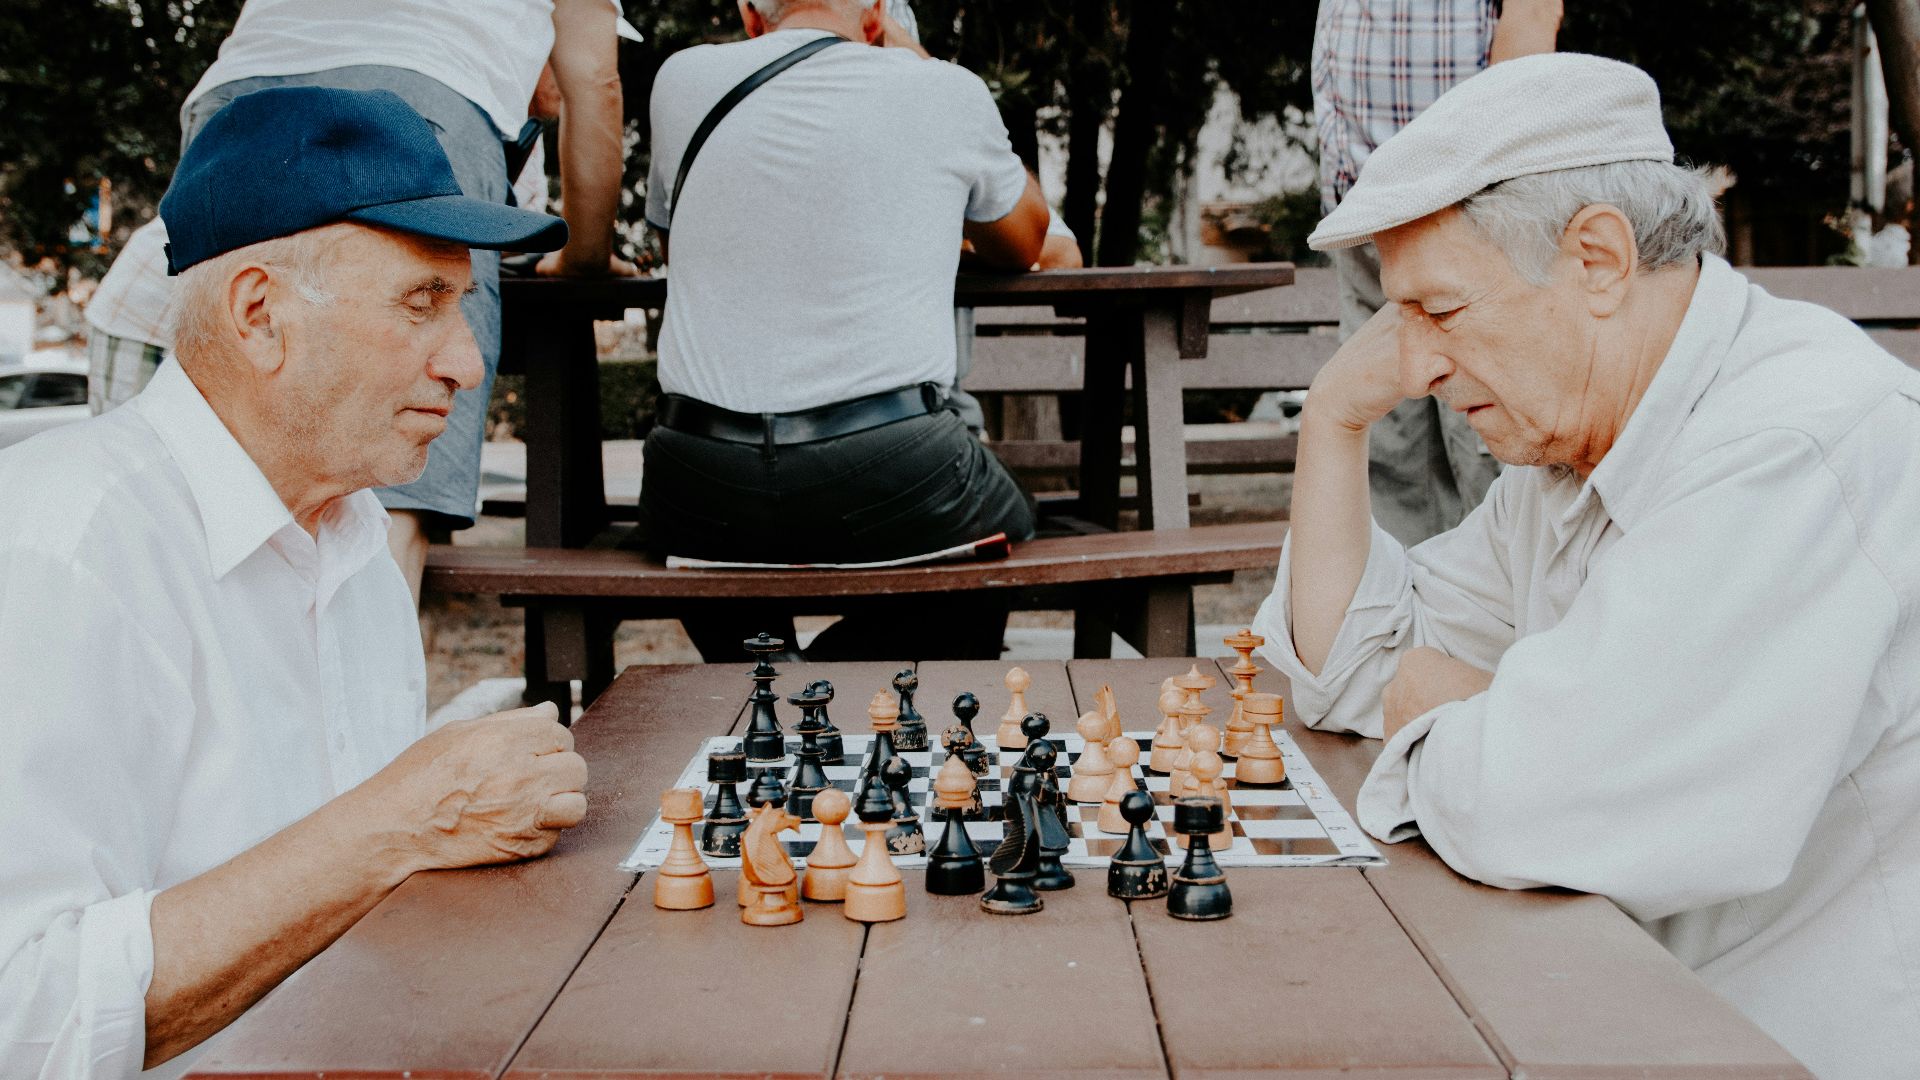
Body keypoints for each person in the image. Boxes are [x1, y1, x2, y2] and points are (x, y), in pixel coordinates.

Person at [1252, 53, 1920, 1079]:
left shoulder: (1792, 443)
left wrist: (1454, 706)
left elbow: (1546, 805)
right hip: (1612, 1002)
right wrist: (1333, 424)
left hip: (1780, 1042)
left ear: (1598, 260)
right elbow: (1345, 672)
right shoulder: (1574, 446)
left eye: (1441, 310)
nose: (1417, 367)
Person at [0, 87, 590, 1078]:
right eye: (421, 302)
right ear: (260, 314)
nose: (467, 360)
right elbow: (23, 1017)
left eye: (467, 304)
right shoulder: (63, 551)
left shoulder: (349, 531)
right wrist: (398, 821)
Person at [83, 0, 634, 607]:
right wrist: (586, 257)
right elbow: (596, 83)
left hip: (236, 99)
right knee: (397, 463)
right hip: (425, 97)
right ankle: (368, 691)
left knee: (226, 450)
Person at [640, 0, 1051, 660]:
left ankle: (764, 675)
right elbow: (1025, 241)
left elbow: (675, 239)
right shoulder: (942, 90)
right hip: (894, 465)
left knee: (714, 536)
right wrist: (914, 55)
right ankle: (832, 680)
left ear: (751, 15)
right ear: (876, 18)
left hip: (697, 478)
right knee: (1006, 531)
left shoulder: (680, 79)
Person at [1311, 0, 1562, 545]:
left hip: (1463, 191)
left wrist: (1499, 168)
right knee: (1388, 436)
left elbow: (1533, 13)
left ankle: (1511, 612)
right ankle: (1402, 618)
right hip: (1360, 201)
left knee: (1484, 428)